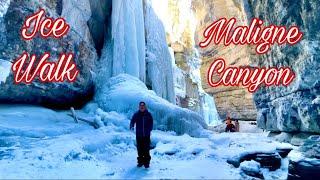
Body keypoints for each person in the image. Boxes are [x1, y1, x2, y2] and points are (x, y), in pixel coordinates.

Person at [130, 101, 154, 168]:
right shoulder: (136, 114)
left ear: (145, 107)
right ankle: (140, 162)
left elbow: (151, 123)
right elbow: (132, 121)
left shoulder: (148, 114)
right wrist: (131, 126)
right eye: (141, 106)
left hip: (146, 135)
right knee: (140, 149)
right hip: (139, 135)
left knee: (146, 149)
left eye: (143, 106)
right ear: (139, 107)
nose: (142, 107)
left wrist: (149, 129)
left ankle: (146, 162)